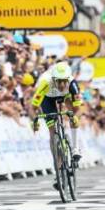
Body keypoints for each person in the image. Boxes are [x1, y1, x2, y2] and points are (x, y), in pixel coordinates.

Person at [31, 61, 83, 190]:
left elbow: (78, 108)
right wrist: (34, 121)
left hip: (65, 97)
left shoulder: (72, 84)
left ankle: (76, 148)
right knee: (52, 130)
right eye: (58, 81)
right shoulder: (44, 82)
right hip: (47, 98)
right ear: (53, 79)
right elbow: (34, 106)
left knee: (72, 114)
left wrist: (74, 117)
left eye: (64, 81)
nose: (61, 85)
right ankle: (59, 169)